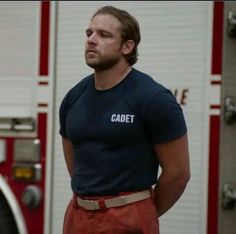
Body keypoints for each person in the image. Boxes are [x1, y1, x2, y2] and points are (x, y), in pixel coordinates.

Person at [59, 5, 190, 234]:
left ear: (127, 46)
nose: (91, 40)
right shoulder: (73, 98)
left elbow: (178, 173)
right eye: (89, 33)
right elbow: (75, 162)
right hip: (78, 216)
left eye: (104, 35)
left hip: (129, 218)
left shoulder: (154, 99)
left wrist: (141, 211)